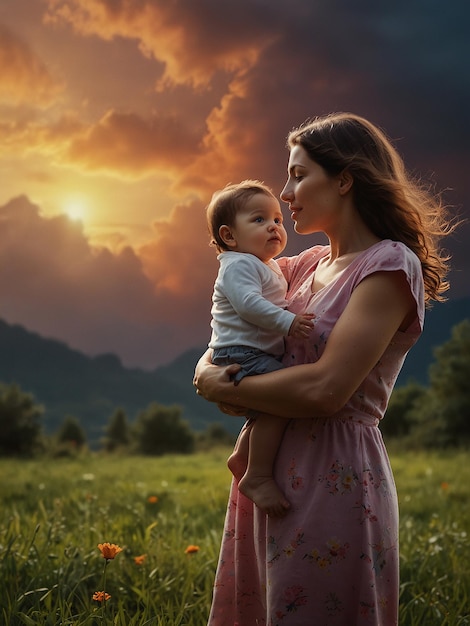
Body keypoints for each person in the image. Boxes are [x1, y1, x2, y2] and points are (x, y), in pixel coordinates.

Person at [194, 112, 454, 625]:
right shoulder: (300, 265)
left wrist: (228, 386)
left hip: (331, 474)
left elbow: (326, 390)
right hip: (263, 474)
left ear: (344, 178)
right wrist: (205, 369)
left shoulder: (388, 264)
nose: (285, 194)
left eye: (298, 174)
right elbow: (230, 322)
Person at [206, 180, 314, 517]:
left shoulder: (263, 264)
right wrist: (288, 322)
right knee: (280, 401)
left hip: (250, 352)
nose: (273, 227)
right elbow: (249, 305)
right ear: (229, 236)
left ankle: (242, 456)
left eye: (278, 221)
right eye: (258, 220)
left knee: (269, 403)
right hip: (241, 353)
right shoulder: (238, 265)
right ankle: (257, 474)